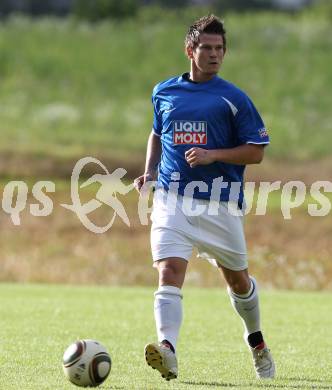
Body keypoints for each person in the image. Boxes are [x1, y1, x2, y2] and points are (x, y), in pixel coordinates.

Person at [134, 14, 275, 381]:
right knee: (168, 271)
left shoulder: (234, 99)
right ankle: (168, 349)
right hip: (172, 198)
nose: (214, 55)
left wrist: (215, 155)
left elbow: (256, 152)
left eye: (219, 49)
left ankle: (256, 341)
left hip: (219, 202)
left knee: (239, 283)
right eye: (206, 48)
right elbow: (156, 133)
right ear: (189, 50)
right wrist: (150, 171)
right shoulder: (164, 91)